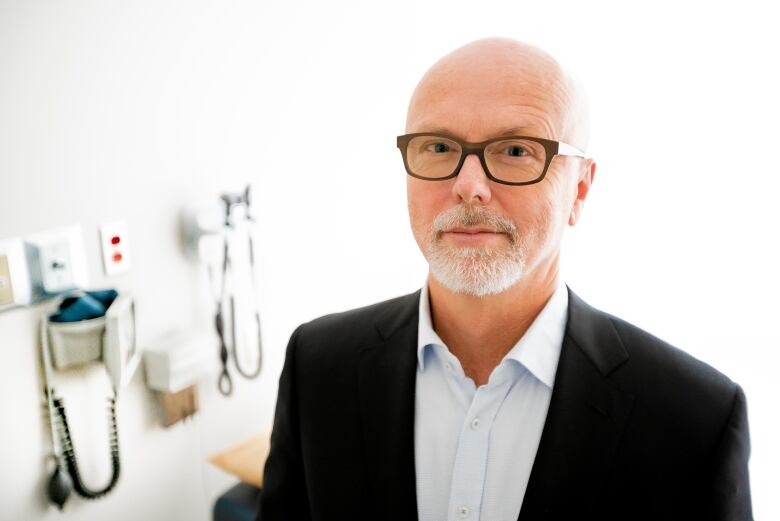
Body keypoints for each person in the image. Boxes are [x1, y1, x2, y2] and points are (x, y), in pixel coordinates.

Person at [256, 37, 752, 521]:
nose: (469, 187)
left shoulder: (695, 419)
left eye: (516, 150)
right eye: (438, 146)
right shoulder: (317, 366)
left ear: (579, 188)